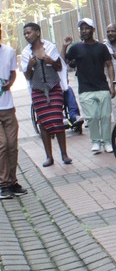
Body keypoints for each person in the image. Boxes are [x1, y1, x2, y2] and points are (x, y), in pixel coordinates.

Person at [20, 23, 72, 167]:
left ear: (37, 33)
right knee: (43, 122)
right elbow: (27, 76)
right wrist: (31, 64)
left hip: (53, 87)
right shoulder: (26, 53)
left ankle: (64, 154)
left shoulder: (49, 47)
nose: (26, 36)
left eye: (28, 32)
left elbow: (59, 66)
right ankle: (49, 156)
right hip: (38, 90)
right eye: (24, 33)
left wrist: (50, 61)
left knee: (57, 118)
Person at [62, 18, 116, 154]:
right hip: (85, 89)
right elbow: (63, 61)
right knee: (91, 117)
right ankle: (96, 142)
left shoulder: (102, 47)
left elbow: (109, 64)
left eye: (87, 28)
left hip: (102, 87)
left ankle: (107, 142)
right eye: (82, 29)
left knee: (105, 116)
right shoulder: (76, 48)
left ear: (93, 30)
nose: (84, 31)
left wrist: (112, 84)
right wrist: (64, 46)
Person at [0, 24, 24, 200]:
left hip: (7, 106)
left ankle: (13, 181)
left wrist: (10, 83)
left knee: (12, 145)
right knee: (1, 145)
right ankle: (3, 184)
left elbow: (12, 73)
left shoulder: (8, 51)